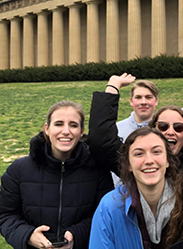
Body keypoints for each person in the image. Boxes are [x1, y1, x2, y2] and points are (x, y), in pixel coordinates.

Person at [0, 101, 113, 249]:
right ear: (47, 129)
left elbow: (106, 215)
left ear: (81, 131)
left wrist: (77, 235)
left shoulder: (97, 170)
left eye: (73, 125)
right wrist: (28, 235)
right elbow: (5, 215)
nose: (66, 131)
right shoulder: (19, 170)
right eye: (58, 124)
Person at [89, 127, 179, 248]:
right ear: (129, 165)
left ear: (168, 160)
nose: (149, 160)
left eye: (156, 152)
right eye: (139, 154)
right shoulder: (109, 208)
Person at [89, 73, 158, 185]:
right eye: (138, 97)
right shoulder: (116, 129)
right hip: (120, 193)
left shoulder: (164, 130)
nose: (143, 102)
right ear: (131, 101)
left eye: (148, 97)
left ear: (156, 101)